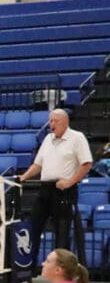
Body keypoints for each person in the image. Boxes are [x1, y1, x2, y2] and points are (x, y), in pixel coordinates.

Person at [18, 109, 92, 266]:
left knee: (61, 233)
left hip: (64, 190)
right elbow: (38, 164)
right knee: (33, 227)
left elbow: (86, 163)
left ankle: (61, 271)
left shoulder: (77, 138)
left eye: (55, 121)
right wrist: (24, 176)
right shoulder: (47, 139)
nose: (51, 124)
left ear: (65, 122)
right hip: (45, 188)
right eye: (50, 121)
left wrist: (70, 182)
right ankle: (29, 268)